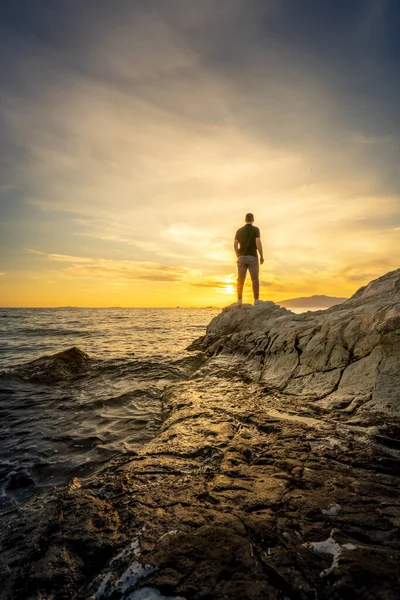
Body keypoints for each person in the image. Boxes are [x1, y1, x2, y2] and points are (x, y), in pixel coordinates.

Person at [234, 213, 264, 306]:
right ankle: (256, 301)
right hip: (252, 257)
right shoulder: (255, 229)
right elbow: (258, 242)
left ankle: (239, 301)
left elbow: (235, 245)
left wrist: (238, 255)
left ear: (245, 219)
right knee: (255, 280)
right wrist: (261, 256)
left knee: (240, 280)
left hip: (241, 257)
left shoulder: (239, 231)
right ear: (253, 219)